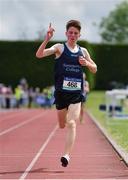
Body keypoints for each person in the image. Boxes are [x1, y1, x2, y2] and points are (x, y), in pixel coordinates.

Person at [36, 20, 97, 167]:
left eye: (76, 33)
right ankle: (63, 127)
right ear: (66, 33)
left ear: (79, 35)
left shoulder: (83, 52)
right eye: (70, 32)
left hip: (76, 93)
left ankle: (66, 155)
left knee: (72, 123)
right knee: (62, 124)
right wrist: (46, 39)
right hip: (61, 93)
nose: (73, 35)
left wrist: (87, 64)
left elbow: (94, 68)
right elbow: (39, 54)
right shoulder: (59, 48)